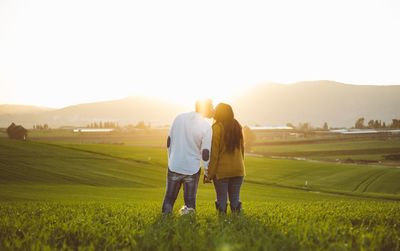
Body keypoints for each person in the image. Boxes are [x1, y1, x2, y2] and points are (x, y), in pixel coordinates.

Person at [162, 99, 214, 214]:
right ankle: (188, 224)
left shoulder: (178, 118)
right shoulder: (206, 127)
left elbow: (169, 142)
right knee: (190, 203)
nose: (213, 109)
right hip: (192, 169)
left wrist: (171, 159)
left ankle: (164, 220)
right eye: (211, 106)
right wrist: (206, 171)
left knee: (169, 199)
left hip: (174, 165)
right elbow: (205, 153)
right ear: (207, 108)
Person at [206, 103, 245, 213]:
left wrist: (210, 173)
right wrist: (240, 166)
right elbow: (242, 150)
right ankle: (237, 222)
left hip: (222, 172)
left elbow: (214, 154)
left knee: (221, 200)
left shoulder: (216, 128)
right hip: (238, 170)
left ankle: (223, 223)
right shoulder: (237, 125)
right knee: (235, 200)